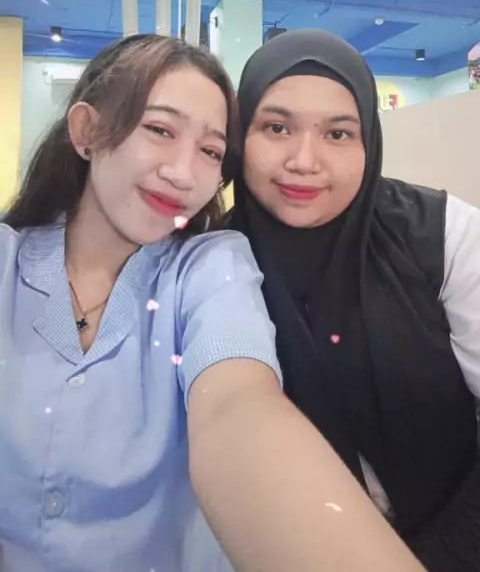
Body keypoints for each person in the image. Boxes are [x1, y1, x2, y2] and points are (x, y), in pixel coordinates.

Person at [0, 33, 423, 572]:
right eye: (160, 130)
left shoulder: (211, 267)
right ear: (86, 131)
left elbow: (238, 408)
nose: (183, 173)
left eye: (211, 151)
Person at [230, 27, 480, 570]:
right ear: (238, 136)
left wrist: (446, 555)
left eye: (338, 134)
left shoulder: (442, 234)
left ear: (369, 141)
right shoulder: (209, 266)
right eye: (276, 127)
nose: (304, 160)